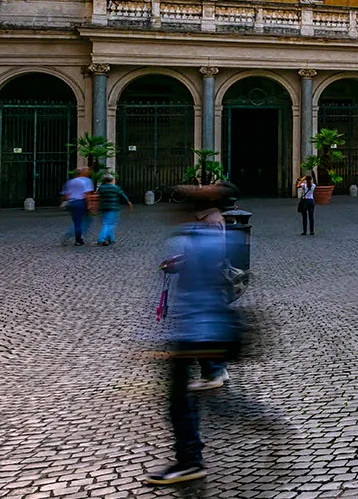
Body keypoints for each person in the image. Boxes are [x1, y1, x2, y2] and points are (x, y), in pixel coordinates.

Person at [146, 195, 239, 485]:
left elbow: (199, 283)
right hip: (200, 327)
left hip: (195, 330)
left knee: (178, 399)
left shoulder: (201, 235)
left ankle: (190, 460)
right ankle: (190, 456)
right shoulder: (202, 235)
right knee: (182, 397)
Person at [94, 173, 133, 246]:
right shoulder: (115, 188)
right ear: (112, 180)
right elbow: (123, 195)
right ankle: (101, 239)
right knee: (109, 224)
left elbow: (98, 197)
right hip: (113, 207)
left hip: (103, 207)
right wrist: (128, 202)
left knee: (107, 222)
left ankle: (111, 239)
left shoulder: (101, 188)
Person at [61, 167, 95, 246]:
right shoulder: (86, 181)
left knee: (77, 221)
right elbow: (87, 194)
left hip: (72, 202)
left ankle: (76, 237)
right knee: (86, 221)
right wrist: (90, 204)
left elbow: (66, 195)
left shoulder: (70, 182)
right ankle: (77, 238)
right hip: (81, 202)